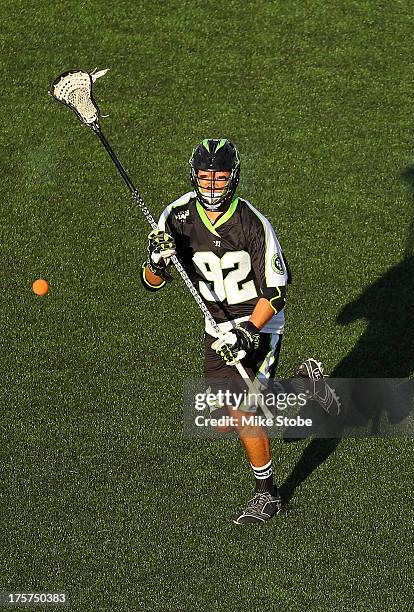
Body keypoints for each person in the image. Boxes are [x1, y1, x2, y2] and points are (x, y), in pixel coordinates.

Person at [142, 138, 338, 524]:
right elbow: (150, 283)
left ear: (233, 178)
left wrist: (248, 332)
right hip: (215, 324)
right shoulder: (175, 217)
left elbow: (276, 292)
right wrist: (158, 263)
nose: (211, 185)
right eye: (204, 177)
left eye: (219, 178)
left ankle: (268, 495)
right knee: (223, 416)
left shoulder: (253, 224)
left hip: (257, 319)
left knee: (243, 408)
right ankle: (304, 385)